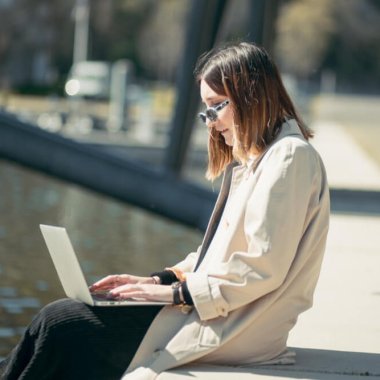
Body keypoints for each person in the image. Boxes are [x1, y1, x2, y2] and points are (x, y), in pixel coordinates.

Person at [0, 42, 330, 380]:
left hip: (239, 325)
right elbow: (215, 255)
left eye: (217, 106)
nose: (211, 123)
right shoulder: (260, 160)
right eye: (207, 110)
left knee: (61, 325)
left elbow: (260, 267)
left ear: (251, 95)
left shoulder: (288, 158)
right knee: (56, 322)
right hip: (217, 310)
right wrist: (159, 279)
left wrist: (175, 294)